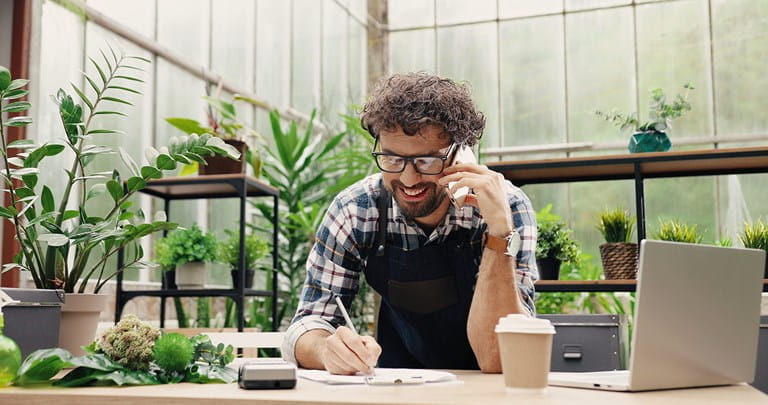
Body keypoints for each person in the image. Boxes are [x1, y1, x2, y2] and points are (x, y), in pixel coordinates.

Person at [281, 72, 538, 374]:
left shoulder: (506, 209)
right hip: (397, 384)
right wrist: (326, 350)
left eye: (427, 161)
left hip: (486, 389)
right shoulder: (355, 210)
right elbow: (307, 323)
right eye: (392, 159)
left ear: (462, 155)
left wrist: (499, 235)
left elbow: (499, 358)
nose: (408, 178)